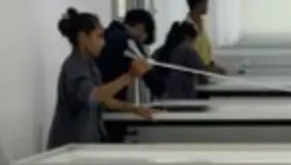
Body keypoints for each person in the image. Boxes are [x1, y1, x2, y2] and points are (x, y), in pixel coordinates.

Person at [50, 8, 151, 147]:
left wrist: (134, 108)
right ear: (82, 37)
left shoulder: (91, 65)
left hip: (87, 143)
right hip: (70, 147)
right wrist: (129, 76)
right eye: (99, 36)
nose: (103, 42)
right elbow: (94, 97)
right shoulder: (73, 68)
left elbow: (104, 101)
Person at [148, 20, 206, 103]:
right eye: (193, 41)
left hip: (160, 98)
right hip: (182, 98)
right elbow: (202, 71)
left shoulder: (158, 51)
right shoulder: (187, 52)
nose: (193, 44)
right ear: (188, 37)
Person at [99, 9, 157, 90]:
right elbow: (154, 82)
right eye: (141, 41)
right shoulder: (129, 42)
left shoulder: (104, 36)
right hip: (113, 98)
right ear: (140, 26)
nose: (140, 46)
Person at [185, 0, 220, 72]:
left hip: (206, 71)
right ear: (197, 4)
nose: (207, 6)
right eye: (205, 3)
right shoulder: (187, 28)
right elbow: (189, 57)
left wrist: (211, 65)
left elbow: (204, 50)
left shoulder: (202, 23)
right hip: (197, 74)